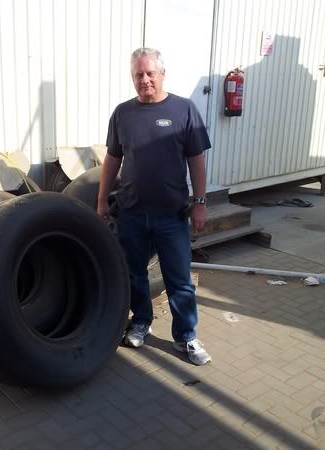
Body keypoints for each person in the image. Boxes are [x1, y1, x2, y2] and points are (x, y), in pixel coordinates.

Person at [97, 47, 212, 365]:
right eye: (138, 74)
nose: (144, 79)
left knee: (179, 280)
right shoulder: (122, 113)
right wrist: (102, 201)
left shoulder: (184, 109)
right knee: (134, 274)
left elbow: (196, 160)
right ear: (132, 77)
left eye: (150, 73)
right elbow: (112, 159)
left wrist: (200, 203)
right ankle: (141, 322)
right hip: (131, 214)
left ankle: (185, 336)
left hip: (171, 215)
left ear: (162, 74)